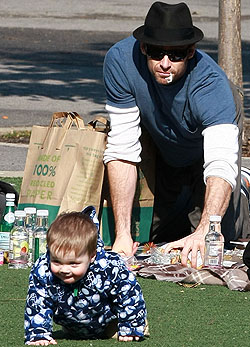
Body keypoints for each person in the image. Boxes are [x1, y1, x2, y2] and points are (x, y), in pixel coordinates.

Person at [103, 1, 250, 268]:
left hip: (205, 151)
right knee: (158, 236)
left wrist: (206, 230)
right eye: (156, 52)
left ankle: (243, 187)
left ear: (191, 51)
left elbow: (220, 163)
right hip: (165, 144)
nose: (165, 63)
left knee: (215, 242)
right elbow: (122, 149)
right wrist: (122, 235)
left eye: (176, 55)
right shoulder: (120, 61)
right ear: (143, 47)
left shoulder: (212, 87)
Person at [24, 206, 147, 345]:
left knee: (116, 332)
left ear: (92, 256)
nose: (64, 269)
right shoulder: (43, 269)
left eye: (73, 263)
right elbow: (38, 302)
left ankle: (132, 324)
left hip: (105, 319)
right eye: (57, 261)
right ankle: (74, 327)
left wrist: (131, 324)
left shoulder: (109, 267)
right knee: (71, 330)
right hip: (69, 320)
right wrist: (38, 333)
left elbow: (129, 294)